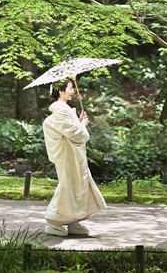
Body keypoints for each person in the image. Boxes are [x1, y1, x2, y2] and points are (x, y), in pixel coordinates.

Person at [41, 79, 106, 236]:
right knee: (69, 185)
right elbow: (75, 134)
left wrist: (78, 121)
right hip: (67, 156)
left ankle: (72, 220)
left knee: (77, 185)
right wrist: (82, 124)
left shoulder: (64, 110)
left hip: (73, 155)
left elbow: (71, 130)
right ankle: (53, 220)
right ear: (61, 91)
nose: (73, 91)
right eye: (70, 88)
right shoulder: (61, 110)